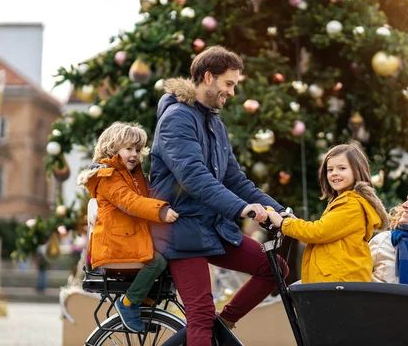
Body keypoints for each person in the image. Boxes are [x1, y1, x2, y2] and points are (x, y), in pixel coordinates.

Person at [149, 45, 289, 345]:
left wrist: (282, 213)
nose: (233, 92)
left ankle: (222, 324)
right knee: (200, 314)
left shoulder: (214, 124)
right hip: (182, 231)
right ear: (208, 77)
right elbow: (194, 178)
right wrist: (243, 210)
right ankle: (210, 326)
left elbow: (235, 179)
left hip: (210, 228)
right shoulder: (177, 119)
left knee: (274, 268)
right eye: (229, 84)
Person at [77, 122, 179, 332]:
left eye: (138, 150)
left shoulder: (131, 175)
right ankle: (129, 303)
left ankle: (145, 304)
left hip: (126, 240)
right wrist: (161, 211)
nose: (134, 154)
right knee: (157, 260)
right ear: (112, 149)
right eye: (128, 149)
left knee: (169, 254)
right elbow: (131, 202)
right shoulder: (108, 177)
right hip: (115, 247)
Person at [266, 142, 389, 283]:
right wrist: (292, 221)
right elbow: (321, 236)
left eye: (342, 168)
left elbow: (318, 232)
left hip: (341, 282)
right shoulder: (343, 201)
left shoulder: (351, 204)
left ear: (357, 171)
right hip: (338, 280)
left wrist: (283, 223)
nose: (334, 173)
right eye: (330, 170)